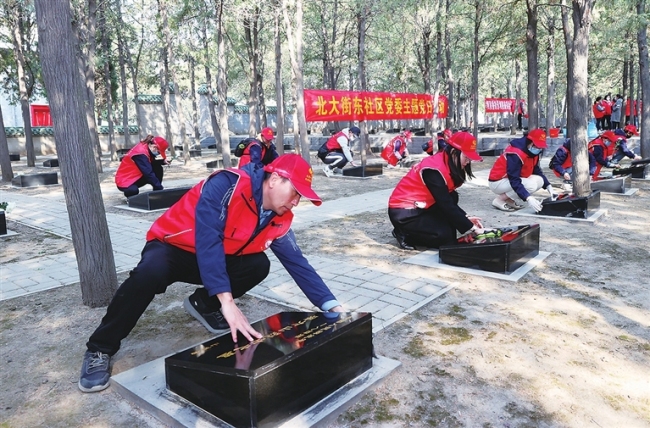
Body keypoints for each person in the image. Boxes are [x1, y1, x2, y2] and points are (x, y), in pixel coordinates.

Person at [78, 154, 344, 393]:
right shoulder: (227, 184)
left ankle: (203, 304)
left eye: (301, 196)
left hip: (216, 258)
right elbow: (208, 238)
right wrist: (227, 301)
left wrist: (330, 304)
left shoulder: (279, 216)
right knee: (149, 273)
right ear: (275, 179)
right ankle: (100, 348)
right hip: (174, 248)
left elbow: (297, 262)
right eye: (296, 192)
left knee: (258, 265)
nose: (297, 201)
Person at [388, 131, 487, 250]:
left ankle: (415, 230)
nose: (467, 162)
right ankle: (404, 232)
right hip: (405, 212)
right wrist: (472, 228)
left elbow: (448, 200)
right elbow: (445, 203)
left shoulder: (447, 162)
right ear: (454, 152)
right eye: (466, 157)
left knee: (453, 199)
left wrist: (466, 218)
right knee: (444, 237)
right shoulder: (433, 170)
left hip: (423, 206)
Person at [488, 128, 555, 213]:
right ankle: (499, 200)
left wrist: (548, 185)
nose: (539, 149)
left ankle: (508, 199)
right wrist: (528, 197)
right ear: (530, 142)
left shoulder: (533, 152)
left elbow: (536, 169)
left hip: (508, 181)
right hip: (497, 182)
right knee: (531, 185)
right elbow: (514, 179)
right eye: (537, 146)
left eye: (541, 146)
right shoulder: (516, 153)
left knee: (540, 181)